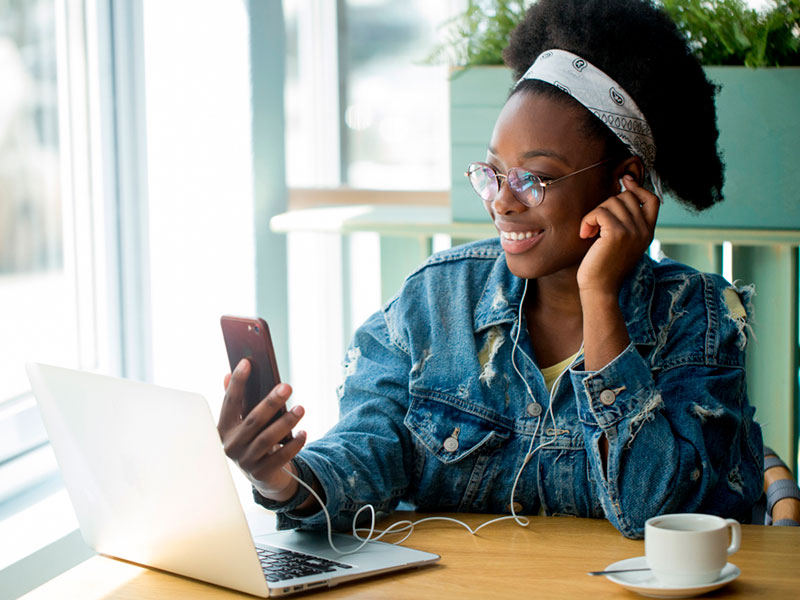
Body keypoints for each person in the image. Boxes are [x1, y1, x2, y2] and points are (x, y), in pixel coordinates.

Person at [218, 0, 764, 539]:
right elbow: (366, 450)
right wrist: (281, 479)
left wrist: (598, 295)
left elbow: (658, 515)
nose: (501, 202)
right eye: (492, 173)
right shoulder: (435, 301)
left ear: (625, 181)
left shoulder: (698, 319)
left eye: (534, 179)